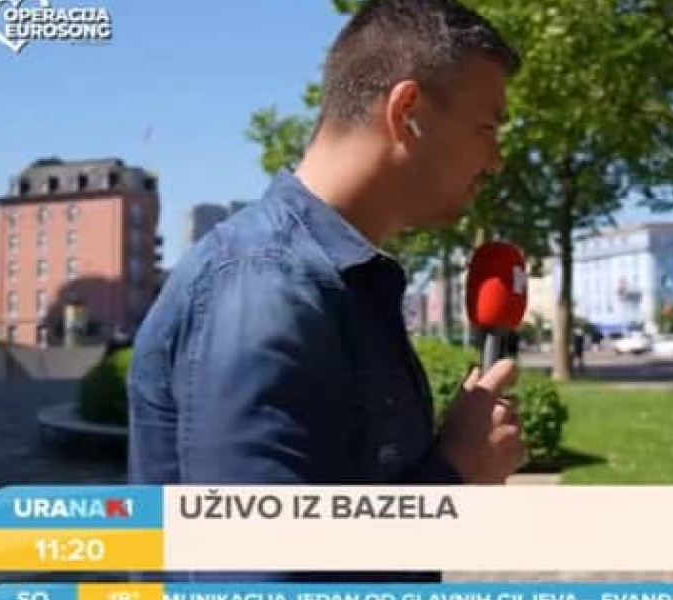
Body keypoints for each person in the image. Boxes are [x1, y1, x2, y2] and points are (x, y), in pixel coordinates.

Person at [127, 0, 523, 582]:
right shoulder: (264, 288)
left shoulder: (338, 281)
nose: (496, 159)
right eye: (487, 127)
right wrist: (455, 473)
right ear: (408, 112)